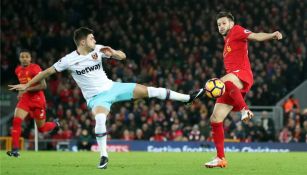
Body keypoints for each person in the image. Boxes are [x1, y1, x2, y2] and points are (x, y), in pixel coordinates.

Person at [8, 27, 203, 169]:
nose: (95, 40)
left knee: (150, 90)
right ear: (83, 41)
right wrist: (27, 85)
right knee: (100, 118)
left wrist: (114, 53)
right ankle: (103, 156)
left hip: (112, 87)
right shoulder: (68, 60)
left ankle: (186, 98)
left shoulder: (98, 49)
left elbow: (123, 56)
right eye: (92, 38)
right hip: (96, 98)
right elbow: (47, 72)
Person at [204, 11, 283, 168]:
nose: (221, 27)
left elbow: (255, 36)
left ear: (231, 24)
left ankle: (244, 110)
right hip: (233, 81)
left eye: (224, 23)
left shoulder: (237, 30)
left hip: (242, 74)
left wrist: (272, 34)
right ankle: (220, 158)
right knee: (215, 119)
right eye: (219, 24)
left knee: (221, 82)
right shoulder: (227, 42)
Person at [6, 50, 59, 158]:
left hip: (38, 100)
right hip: (25, 99)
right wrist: (21, 91)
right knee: (16, 121)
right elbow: (23, 85)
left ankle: (55, 124)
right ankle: (15, 150)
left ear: (30, 58)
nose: (24, 58)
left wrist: (26, 89)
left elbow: (43, 86)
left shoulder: (35, 68)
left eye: (26, 56)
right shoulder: (18, 70)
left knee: (42, 128)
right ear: (19, 59)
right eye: (22, 57)